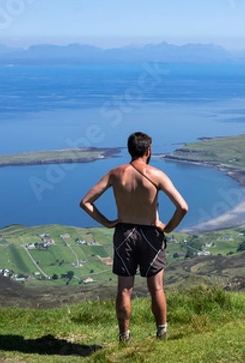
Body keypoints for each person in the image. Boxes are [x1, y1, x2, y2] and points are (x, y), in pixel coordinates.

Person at [80, 132, 188, 342]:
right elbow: (182, 207)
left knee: (124, 288)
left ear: (130, 150)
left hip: (124, 233)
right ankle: (162, 332)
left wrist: (107, 222)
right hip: (150, 233)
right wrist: (167, 228)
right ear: (148, 151)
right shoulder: (157, 175)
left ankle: (124, 336)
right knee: (156, 287)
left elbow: (85, 202)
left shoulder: (115, 174)